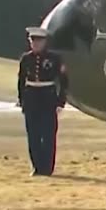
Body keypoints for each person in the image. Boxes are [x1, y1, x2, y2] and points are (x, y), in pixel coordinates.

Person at [17, 27, 69, 177]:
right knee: (33, 134)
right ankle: (37, 166)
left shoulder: (54, 59)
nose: (35, 44)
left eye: (39, 41)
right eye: (33, 41)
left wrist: (60, 102)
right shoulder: (26, 59)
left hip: (48, 97)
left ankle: (47, 167)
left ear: (44, 42)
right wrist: (22, 100)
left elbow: (63, 81)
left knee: (48, 134)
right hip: (31, 97)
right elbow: (21, 81)